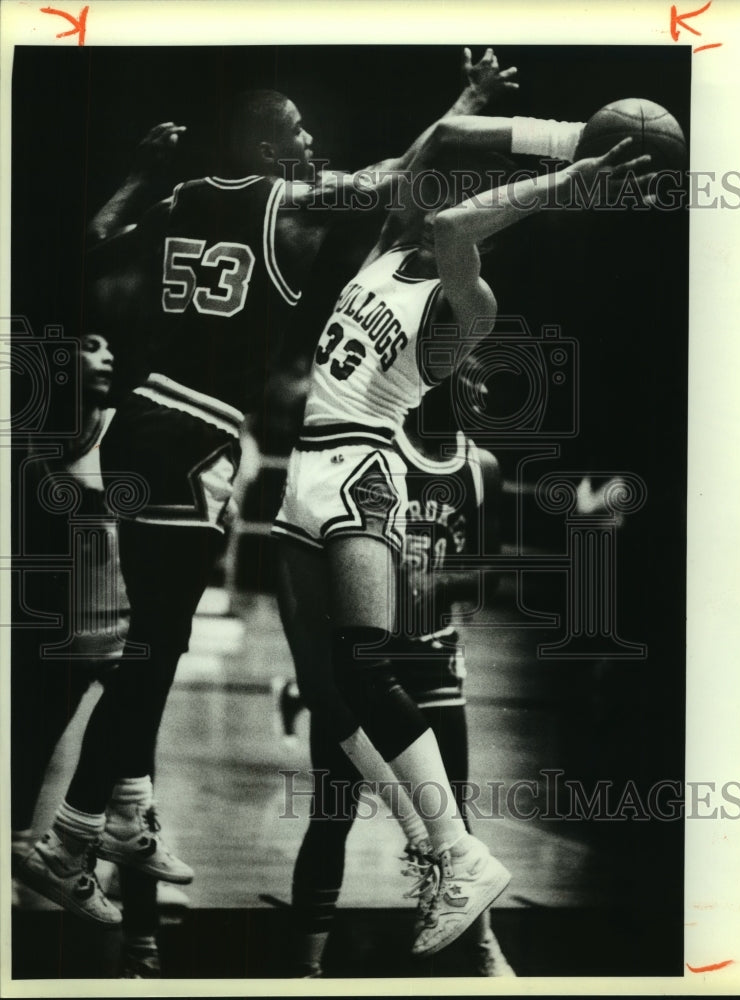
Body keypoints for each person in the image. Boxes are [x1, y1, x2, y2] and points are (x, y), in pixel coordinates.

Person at [16, 49, 522, 925]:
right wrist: (474, 102)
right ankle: (65, 837)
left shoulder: (184, 197)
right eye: (296, 130)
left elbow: (93, 243)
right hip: (193, 431)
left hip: (146, 416)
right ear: (263, 141)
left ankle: (129, 807)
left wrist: (138, 176)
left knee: (156, 640)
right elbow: (406, 171)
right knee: (154, 648)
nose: (312, 139)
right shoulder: (291, 203)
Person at [273, 110, 654, 956]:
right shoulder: (385, 248)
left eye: (468, 202)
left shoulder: (467, 301)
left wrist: (566, 181)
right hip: (308, 465)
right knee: (334, 686)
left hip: (358, 466)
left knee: (365, 668)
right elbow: (435, 147)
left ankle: (455, 852)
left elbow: (450, 219)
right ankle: (438, 849)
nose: (430, 195)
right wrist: (542, 128)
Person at [282, 360, 516, 976]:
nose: (483, 388)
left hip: (434, 656)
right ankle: (304, 969)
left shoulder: (481, 467)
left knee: (453, 816)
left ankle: (484, 948)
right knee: (331, 815)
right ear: (430, 378)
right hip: (366, 660)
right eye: (471, 376)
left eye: (486, 381)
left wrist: (428, 577)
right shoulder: (377, 453)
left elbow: (486, 575)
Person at [11, 330, 165, 976]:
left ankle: (143, 945)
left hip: (123, 632)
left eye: (111, 346)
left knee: (138, 802)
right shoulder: (39, 432)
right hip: (60, 635)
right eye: (91, 345)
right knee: (21, 769)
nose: (107, 355)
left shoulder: (126, 425)